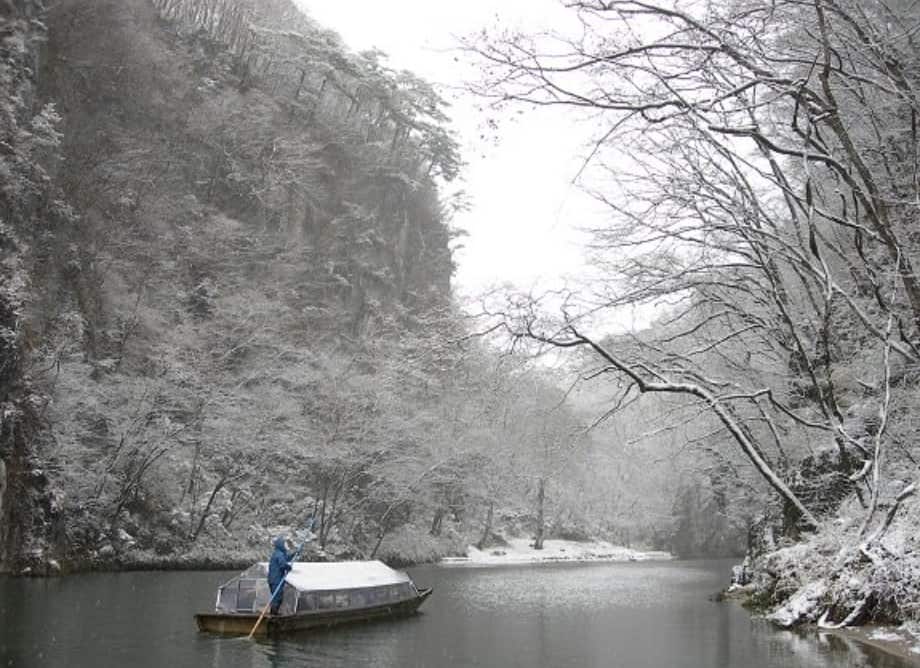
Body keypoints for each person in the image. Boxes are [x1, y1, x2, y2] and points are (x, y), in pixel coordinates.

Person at [267, 535, 293, 615]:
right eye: (284, 544)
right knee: (277, 597)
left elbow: (286, 558)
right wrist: (288, 567)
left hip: (272, 579)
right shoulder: (279, 554)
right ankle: (274, 614)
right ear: (281, 545)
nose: (286, 546)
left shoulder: (278, 553)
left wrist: (294, 554)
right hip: (276, 579)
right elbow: (282, 564)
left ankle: (274, 613)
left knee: (276, 597)